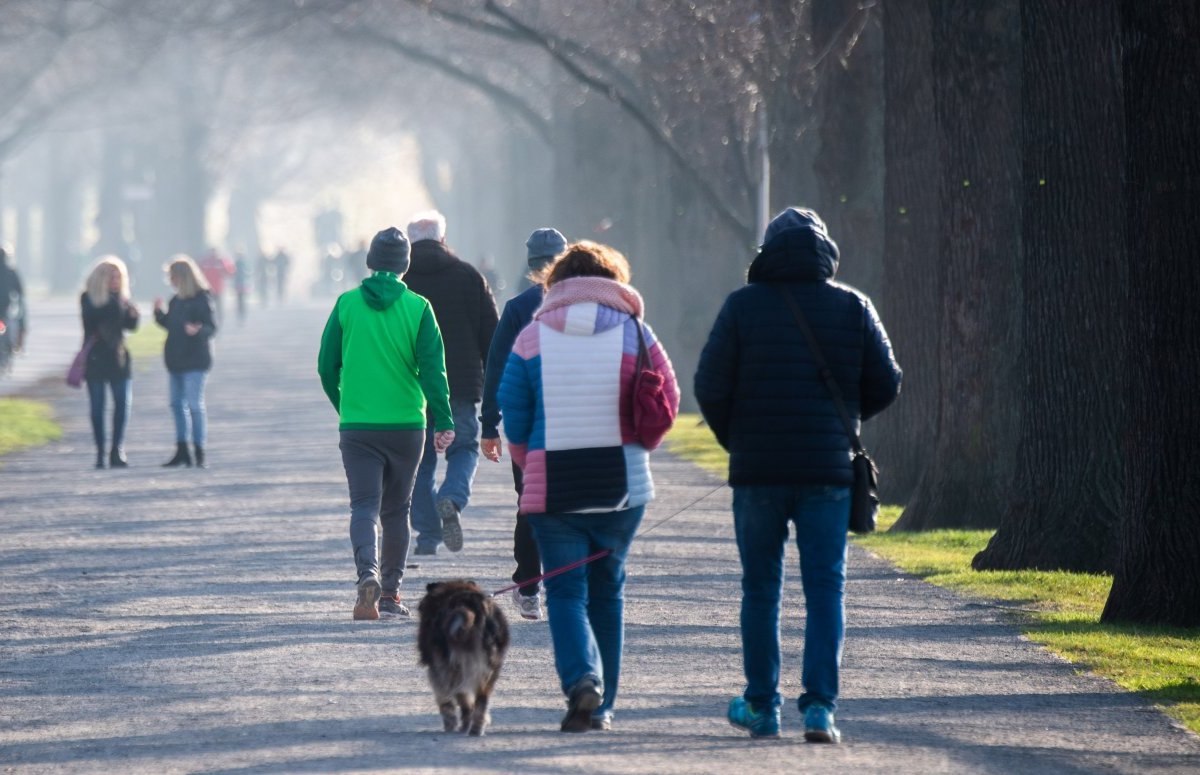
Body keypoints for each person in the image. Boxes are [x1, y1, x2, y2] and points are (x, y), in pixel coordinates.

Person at [694, 207, 902, 744]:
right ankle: (820, 710)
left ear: (767, 253)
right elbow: (887, 381)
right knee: (825, 589)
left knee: (760, 588)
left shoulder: (741, 307)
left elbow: (710, 386)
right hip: (827, 472)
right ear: (824, 253)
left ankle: (762, 705)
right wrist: (844, 424)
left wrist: (736, 438)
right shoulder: (853, 306)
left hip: (758, 471)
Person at [498, 241, 680, 733]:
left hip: (554, 487)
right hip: (620, 484)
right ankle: (603, 706)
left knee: (564, 592)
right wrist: (642, 449)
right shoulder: (636, 332)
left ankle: (582, 681)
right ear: (612, 281)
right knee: (608, 591)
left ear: (555, 284)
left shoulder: (532, 337)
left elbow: (512, 414)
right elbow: (668, 397)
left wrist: (527, 461)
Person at [317, 227, 455, 620]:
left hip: (358, 423)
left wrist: (344, 405)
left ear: (371, 261)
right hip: (406, 424)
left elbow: (327, 367)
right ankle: (391, 597)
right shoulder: (419, 307)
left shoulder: (346, 304)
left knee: (363, 506)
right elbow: (433, 370)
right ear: (405, 265)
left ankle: (368, 574)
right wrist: (443, 418)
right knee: (397, 511)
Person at [480, 227, 568, 621]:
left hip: (527, 424)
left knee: (530, 503)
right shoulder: (586, 304)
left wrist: (488, 424)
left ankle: (529, 587)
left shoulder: (517, 307)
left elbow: (497, 366)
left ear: (530, 265)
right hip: (576, 421)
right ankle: (566, 585)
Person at [403, 210, 499, 555]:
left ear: (409, 241)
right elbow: (492, 335)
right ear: (442, 239)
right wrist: (494, 385)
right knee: (463, 448)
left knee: (419, 460)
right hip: (460, 383)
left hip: (413, 387)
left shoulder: (401, 282)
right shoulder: (468, 276)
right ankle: (453, 498)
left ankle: (428, 535)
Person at [154, 255, 217, 469]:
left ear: (182, 276)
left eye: (172, 276)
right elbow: (170, 325)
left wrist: (199, 331)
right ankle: (182, 449)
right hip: (175, 359)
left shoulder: (202, 299)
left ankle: (199, 450)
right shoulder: (176, 300)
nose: (170, 281)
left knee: (194, 405)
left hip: (195, 360)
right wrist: (158, 314)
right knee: (175, 404)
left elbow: (211, 328)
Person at [80, 256, 140, 468]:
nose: (116, 281)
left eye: (119, 277)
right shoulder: (89, 298)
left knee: (122, 405)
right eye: (111, 277)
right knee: (98, 408)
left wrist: (133, 314)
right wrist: (120, 305)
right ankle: (100, 451)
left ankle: (117, 449)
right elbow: (94, 318)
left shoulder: (120, 299)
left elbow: (129, 326)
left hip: (118, 357)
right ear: (101, 278)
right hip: (96, 358)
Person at [0, 247, 27, 371]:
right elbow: (20, 293)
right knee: (7, 332)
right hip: (5, 311)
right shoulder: (10, 272)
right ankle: (8, 352)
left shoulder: (10, 273)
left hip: (5, 311)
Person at [198, 248, 235, 325]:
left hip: (218, 288)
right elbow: (198, 271)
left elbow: (229, 271)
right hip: (208, 288)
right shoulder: (206, 261)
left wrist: (226, 273)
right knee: (208, 306)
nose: (213, 254)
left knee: (218, 306)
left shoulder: (221, 261)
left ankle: (219, 320)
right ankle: (210, 320)